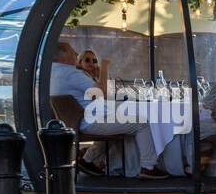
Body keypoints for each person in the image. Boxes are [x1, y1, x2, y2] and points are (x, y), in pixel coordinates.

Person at [50, 41, 167, 179]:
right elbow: (102, 93)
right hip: (89, 122)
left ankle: (88, 160)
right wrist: (104, 66)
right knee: (142, 123)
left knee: (119, 117)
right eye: (72, 51)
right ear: (62, 55)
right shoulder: (70, 73)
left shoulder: (52, 73)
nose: (75, 53)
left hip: (78, 121)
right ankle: (148, 167)